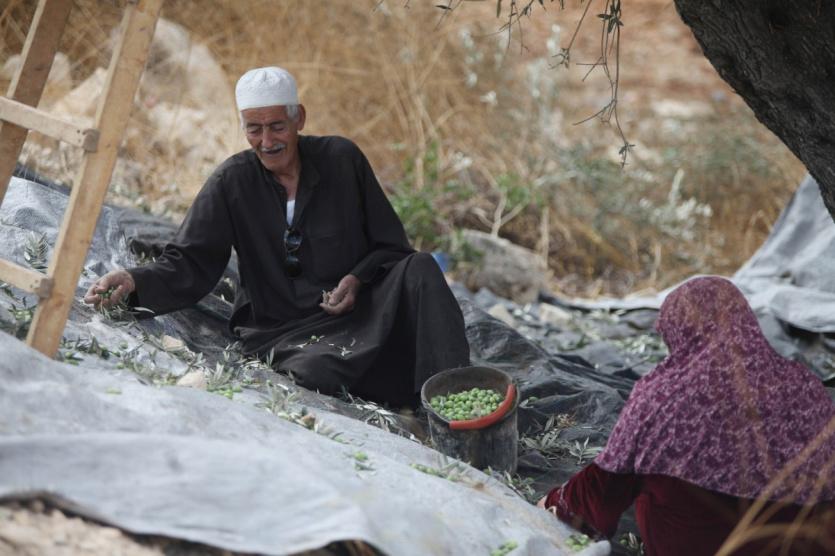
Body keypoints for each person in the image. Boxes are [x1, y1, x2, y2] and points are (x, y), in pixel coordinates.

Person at [84, 66, 470, 407]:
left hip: (363, 313)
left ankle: (452, 402)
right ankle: (404, 384)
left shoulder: (341, 159)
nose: (267, 142)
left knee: (422, 267)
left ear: (299, 118)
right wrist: (134, 282)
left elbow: (392, 248)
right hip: (286, 330)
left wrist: (356, 279)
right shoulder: (231, 182)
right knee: (317, 370)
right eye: (254, 129)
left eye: (277, 127)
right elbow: (190, 261)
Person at [539, 276, 835, 555]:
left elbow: (604, 488)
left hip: (704, 546)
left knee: (644, 479)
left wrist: (557, 503)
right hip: (807, 545)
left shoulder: (664, 393)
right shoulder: (805, 384)